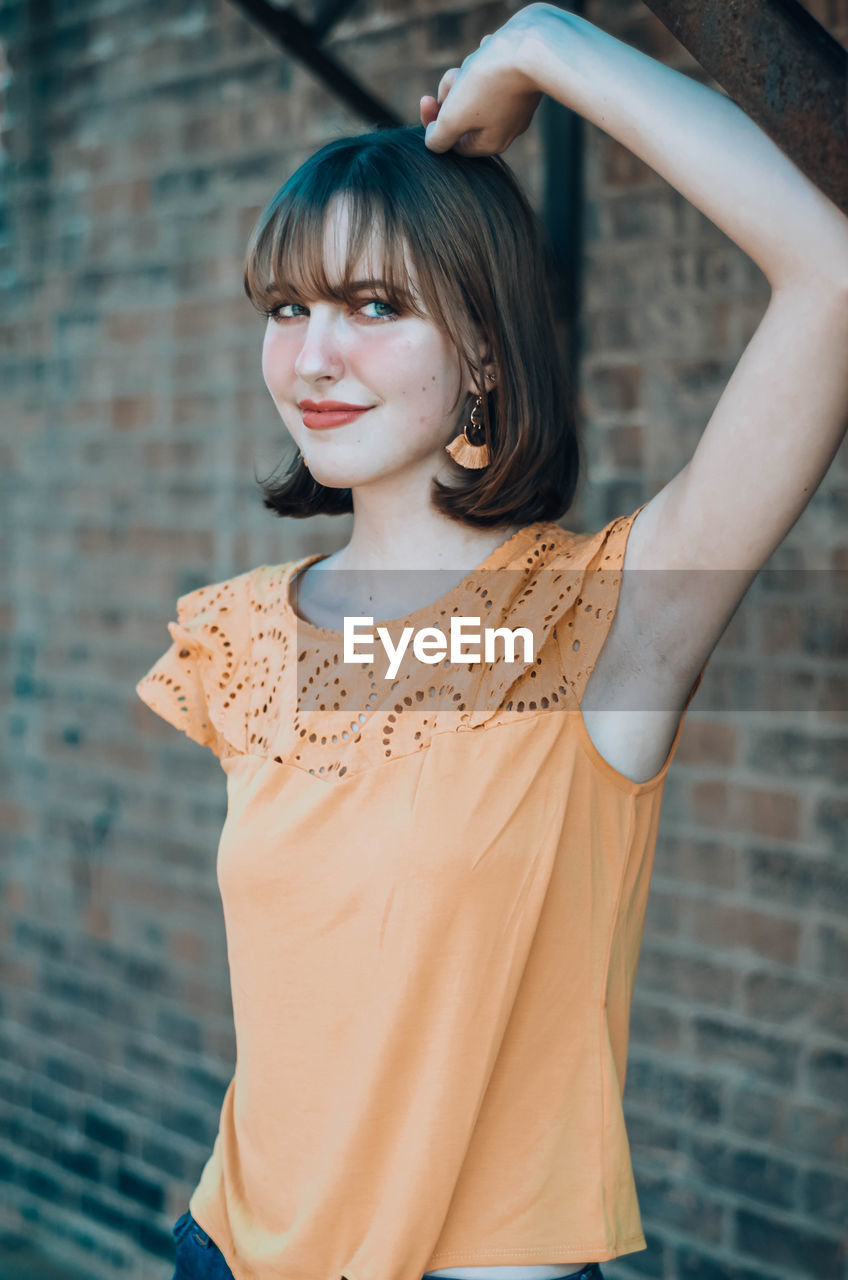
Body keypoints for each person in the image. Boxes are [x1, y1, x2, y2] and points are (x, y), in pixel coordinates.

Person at [136, 5, 848, 1279]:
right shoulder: (239, 634)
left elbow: (833, 273)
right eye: (287, 305)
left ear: (476, 347)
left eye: (370, 303)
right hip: (224, 1250)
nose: (314, 355)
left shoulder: (605, 620)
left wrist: (544, 51)